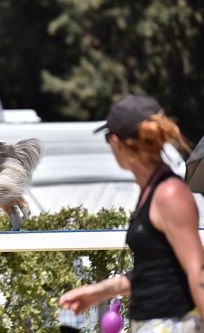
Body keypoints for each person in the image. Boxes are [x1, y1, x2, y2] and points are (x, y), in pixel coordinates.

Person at [59, 94, 204, 332]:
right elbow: (154, 271)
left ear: (116, 141)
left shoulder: (169, 194)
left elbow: (197, 271)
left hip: (172, 324)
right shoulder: (151, 191)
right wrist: (97, 292)